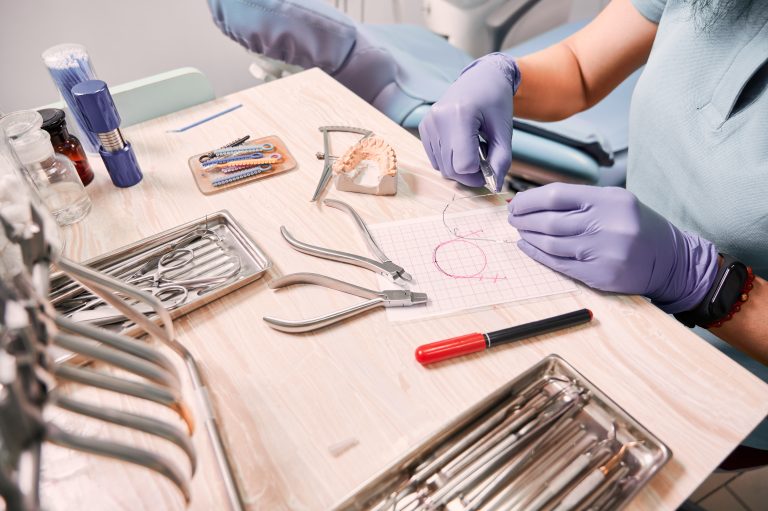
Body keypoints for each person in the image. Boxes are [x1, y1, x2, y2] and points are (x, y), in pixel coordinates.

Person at [419, 0, 768, 451]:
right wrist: (500, 76)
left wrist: (706, 284)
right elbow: (580, 69)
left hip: (726, 386)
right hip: (609, 311)